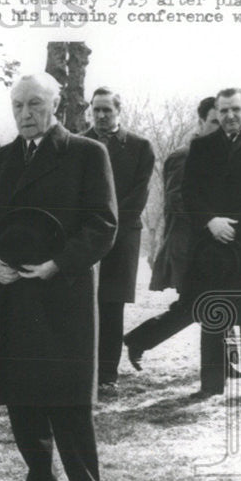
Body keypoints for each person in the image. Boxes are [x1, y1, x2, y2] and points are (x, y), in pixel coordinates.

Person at [0, 73, 117, 481]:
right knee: (21, 396)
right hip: (10, 294)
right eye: (18, 106)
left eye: (34, 105)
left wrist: (58, 264)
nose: (25, 114)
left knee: (68, 401)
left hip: (61, 294)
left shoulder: (87, 154)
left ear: (55, 107)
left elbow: (103, 224)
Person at [181, 88, 241, 404]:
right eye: (223, 111)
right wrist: (211, 221)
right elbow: (189, 193)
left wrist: (230, 224)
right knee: (213, 313)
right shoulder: (201, 146)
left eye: (235, 109)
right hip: (213, 242)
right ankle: (211, 384)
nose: (229, 116)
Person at [123, 97, 223, 372]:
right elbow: (176, 201)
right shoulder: (185, 155)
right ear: (200, 122)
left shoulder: (219, 153)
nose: (220, 128)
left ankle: (225, 362)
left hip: (210, 246)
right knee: (195, 305)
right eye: (214, 122)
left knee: (215, 299)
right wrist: (213, 215)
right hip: (189, 247)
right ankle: (139, 340)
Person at [82, 88, 155, 393]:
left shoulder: (140, 147)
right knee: (83, 305)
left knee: (112, 307)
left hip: (122, 236)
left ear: (118, 112)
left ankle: (108, 375)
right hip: (84, 236)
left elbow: (138, 196)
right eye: (96, 110)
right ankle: (83, 371)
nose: (100, 116)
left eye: (107, 110)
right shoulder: (79, 143)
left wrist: (107, 229)